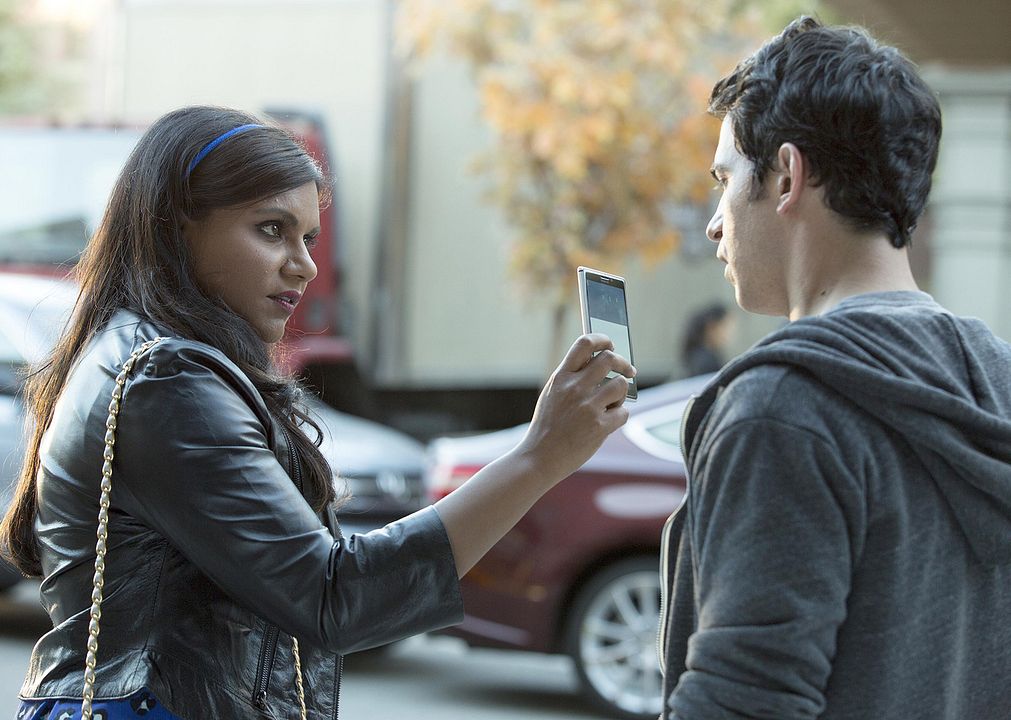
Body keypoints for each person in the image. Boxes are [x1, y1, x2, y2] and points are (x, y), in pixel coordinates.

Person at [0, 106, 635, 720]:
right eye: (270, 229)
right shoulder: (167, 382)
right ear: (177, 227)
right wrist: (539, 456)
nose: (302, 265)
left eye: (307, 236)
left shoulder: (149, 359)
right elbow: (336, 599)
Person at [660, 16, 1011, 720]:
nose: (714, 223)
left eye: (724, 180)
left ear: (787, 175)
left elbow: (742, 703)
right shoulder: (994, 379)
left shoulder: (782, 409)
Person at [679, 302, 732, 377]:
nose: (729, 333)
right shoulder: (705, 361)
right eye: (726, 327)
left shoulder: (701, 355)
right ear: (712, 327)